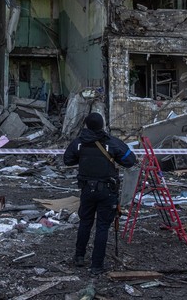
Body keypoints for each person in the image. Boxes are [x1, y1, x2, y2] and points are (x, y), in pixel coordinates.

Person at [63, 112, 138, 275]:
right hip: (107, 190)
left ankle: (79, 257)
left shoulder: (79, 143)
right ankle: (96, 265)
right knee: (102, 227)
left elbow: (67, 159)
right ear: (102, 125)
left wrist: (84, 159)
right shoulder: (112, 143)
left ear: (86, 125)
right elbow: (130, 160)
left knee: (85, 222)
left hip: (86, 189)